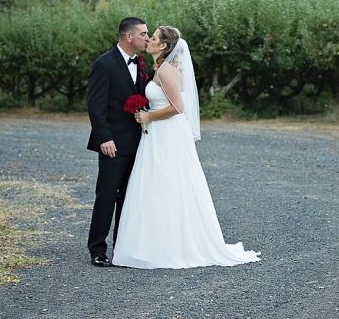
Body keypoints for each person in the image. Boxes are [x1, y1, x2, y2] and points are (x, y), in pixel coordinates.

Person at [112, 26, 260, 269]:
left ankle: (170, 246)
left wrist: (148, 117)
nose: (149, 39)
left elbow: (179, 107)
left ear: (163, 47)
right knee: (158, 185)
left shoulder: (167, 70)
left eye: (154, 37)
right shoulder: (162, 68)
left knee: (168, 183)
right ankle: (153, 242)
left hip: (166, 133)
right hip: (160, 133)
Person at [86, 17, 150, 267]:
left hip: (139, 142)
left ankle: (122, 247)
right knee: (106, 195)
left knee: (129, 196)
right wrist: (105, 138)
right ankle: (97, 249)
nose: (148, 37)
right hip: (113, 144)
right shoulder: (104, 64)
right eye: (144, 34)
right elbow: (96, 105)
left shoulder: (142, 64)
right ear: (129, 37)